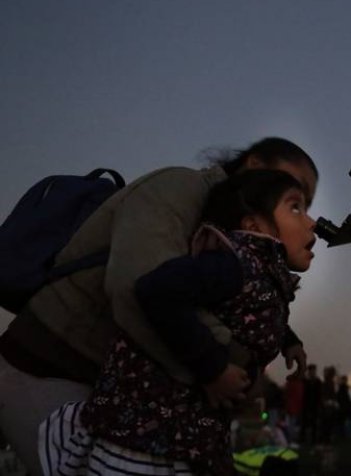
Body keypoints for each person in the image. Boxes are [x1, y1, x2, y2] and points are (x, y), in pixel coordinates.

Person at [0, 137, 317, 476]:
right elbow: (137, 288)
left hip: (114, 389)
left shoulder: (232, 242)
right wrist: (227, 365)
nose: (307, 217)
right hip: (48, 365)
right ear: (254, 166)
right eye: (293, 200)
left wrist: (284, 339)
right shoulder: (175, 189)